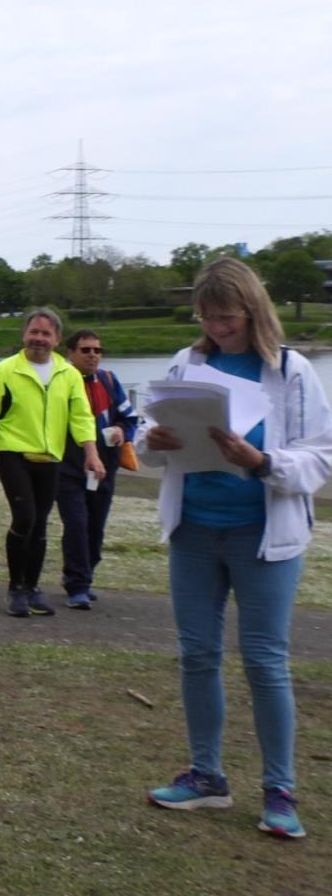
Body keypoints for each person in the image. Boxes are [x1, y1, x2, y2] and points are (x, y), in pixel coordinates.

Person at [138, 258, 329, 840]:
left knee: (265, 662)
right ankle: (207, 776)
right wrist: (154, 441)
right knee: (197, 654)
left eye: (228, 317)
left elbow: (320, 458)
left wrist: (263, 461)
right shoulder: (186, 364)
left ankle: (279, 790)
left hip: (262, 536)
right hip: (194, 531)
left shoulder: (292, 371)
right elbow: (149, 450)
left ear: (253, 310)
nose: (218, 329)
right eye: (207, 317)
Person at [0, 308, 104, 617]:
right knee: (25, 517)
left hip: (50, 455)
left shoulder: (68, 374)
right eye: (34, 332)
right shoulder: (6, 370)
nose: (39, 339)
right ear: (24, 334)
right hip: (12, 452)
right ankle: (16, 588)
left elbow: (81, 417)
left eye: (45, 334)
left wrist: (91, 453)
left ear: (56, 339)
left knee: (40, 522)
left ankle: (32, 588)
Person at [53, 330, 137, 610]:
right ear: (71, 353)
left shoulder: (109, 381)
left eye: (97, 350)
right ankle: (77, 584)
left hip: (104, 469)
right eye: (86, 350)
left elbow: (130, 418)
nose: (92, 355)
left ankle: (84, 574)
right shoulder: (59, 382)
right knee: (77, 524)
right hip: (67, 468)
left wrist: (121, 431)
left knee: (95, 527)